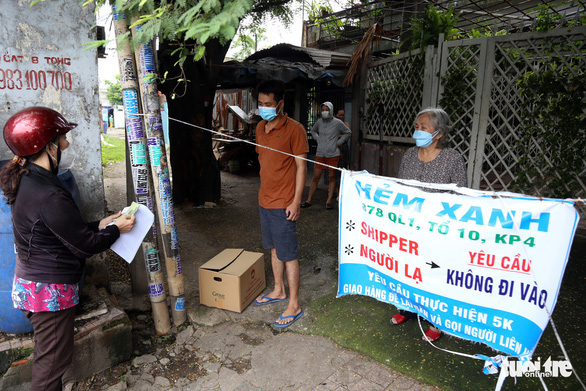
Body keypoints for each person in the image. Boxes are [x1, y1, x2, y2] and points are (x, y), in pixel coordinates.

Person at [0, 107, 136, 391]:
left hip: (34, 285)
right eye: (62, 138)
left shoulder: (28, 178)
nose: (67, 144)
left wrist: (100, 223)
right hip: (48, 293)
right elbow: (85, 246)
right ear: (47, 146)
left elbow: (60, 229)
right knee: (50, 371)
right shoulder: (47, 193)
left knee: (49, 359)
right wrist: (116, 229)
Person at [390, 107, 467, 342]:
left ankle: (437, 321)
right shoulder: (410, 155)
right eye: (417, 126)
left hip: (437, 231)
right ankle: (408, 308)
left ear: (439, 133)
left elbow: (461, 195)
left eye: (423, 127)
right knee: (410, 268)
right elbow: (400, 188)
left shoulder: (452, 158)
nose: (418, 130)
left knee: (434, 272)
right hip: (410, 227)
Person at [253, 80, 308, 328]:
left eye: (269, 104)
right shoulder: (260, 128)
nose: (264, 108)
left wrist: (296, 202)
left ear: (281, 104)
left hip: (284, 203)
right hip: (265, 199)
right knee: (273, 249)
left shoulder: (295, 129)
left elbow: (301, 167)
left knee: (288, 254)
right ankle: (278, 290)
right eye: (260, 104)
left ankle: (294, 303)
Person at [301, 102, 351, 210]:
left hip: (333, 154)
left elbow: (348, 132)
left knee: (332, 177)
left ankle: (328, 201)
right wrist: (318, 139)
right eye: (323, 109)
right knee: (316, 177)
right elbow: (313, 131)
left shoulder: (337, 123)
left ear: (331, 110)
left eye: (327, 109)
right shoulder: (319, 122)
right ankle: (309, 200)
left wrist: (338, 143)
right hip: (320, 153)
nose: (324, 112)